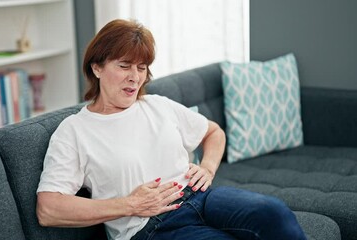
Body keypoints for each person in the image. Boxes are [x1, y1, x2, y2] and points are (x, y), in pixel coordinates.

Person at [36, 19, 306, 240]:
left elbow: (214, 132)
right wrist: (129, 205)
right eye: (124, 66)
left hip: (199, 198)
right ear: (96, 67)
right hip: (150, 228)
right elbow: (48, 208)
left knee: (274, 213)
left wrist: (208, 168)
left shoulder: (156, 105)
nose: (135, 76)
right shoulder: (74, 130)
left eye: (142, 67)